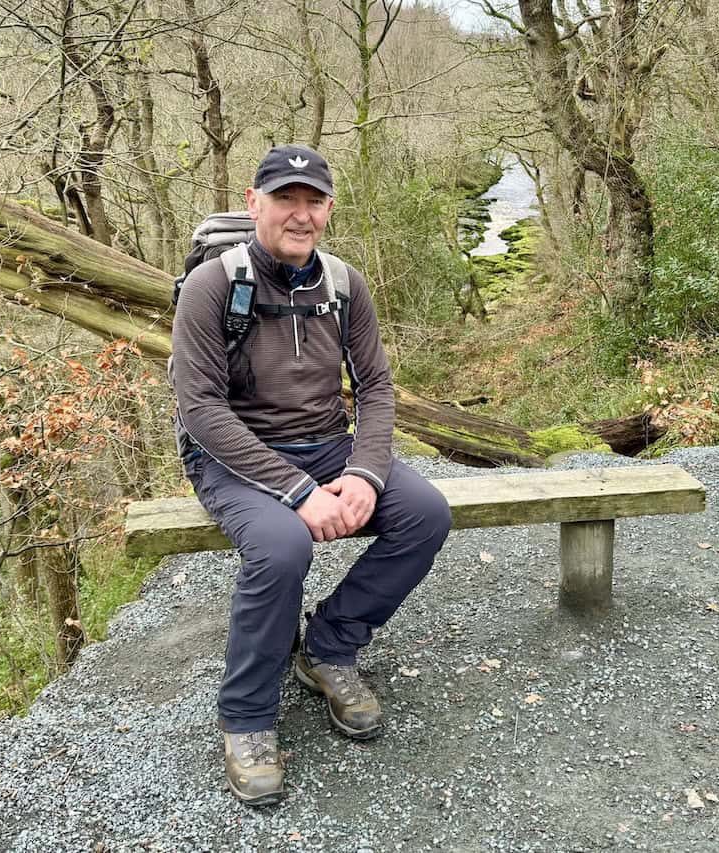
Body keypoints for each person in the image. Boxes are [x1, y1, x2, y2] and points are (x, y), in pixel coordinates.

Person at [170, 144, 452, 806]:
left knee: (425, 513)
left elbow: (377, 387)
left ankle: (327, 647)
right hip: (233, 456)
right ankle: (246, 717)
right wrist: (297, 493)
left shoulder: (345, 284)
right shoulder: (214, 286)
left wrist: (364, 474)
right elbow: (202, 411)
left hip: (328, 444)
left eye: (313, 201)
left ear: (328, 208)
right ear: (253, 203)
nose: (300, 215)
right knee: (281, 544)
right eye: (284, 199)